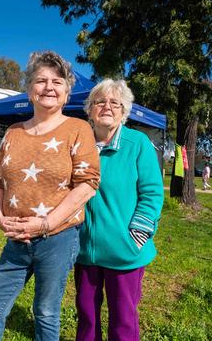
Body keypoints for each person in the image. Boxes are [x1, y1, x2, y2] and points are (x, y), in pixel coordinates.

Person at [0, 51, 101, 340]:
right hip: (17, 239)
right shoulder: (13, 132)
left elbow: (88, 184)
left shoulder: (78, 129)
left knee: (45, 310)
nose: (49, 87)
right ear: (30, 90)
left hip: (57, 238)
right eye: (41, 80)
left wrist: (45, 224)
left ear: (67, 91)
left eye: (57, 82)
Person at [75, 79, 164, 341]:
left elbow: (152, 194)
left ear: (124, 111)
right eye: (100, 102)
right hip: (84, 251)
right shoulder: (78, 144)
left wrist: (135, 238)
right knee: (86, 316)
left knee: (123, 320)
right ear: (89, 109)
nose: (107, 107)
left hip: (125, 252)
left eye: (115, 103)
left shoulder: (138, 143)